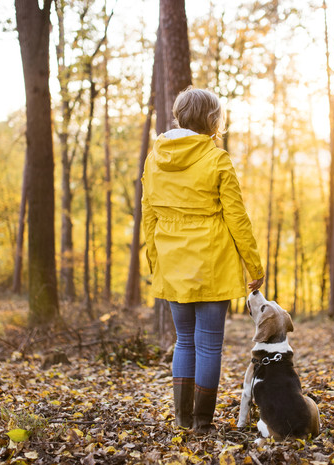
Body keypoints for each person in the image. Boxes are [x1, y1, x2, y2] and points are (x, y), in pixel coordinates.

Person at [142, 87, 265, 433]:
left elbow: (148, 213)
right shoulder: (217, 159)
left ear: (180, 116)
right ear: (213, 121)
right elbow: (237, 218)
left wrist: (155, 260)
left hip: (172, 261)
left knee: (184, 339)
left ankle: (182, 419)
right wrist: (253, 265)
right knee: (208, 343)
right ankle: (201, 423)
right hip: (212, 260)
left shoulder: (155, 159)